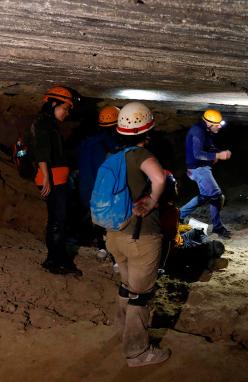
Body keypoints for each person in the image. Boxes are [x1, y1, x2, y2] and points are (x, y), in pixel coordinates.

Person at [104, 102, 171, 367]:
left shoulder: (111, 156)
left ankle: (122, 329)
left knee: (126, 283)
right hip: (141, 236)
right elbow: (160, 179)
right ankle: (137, 352)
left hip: (114, 234)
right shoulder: (143, 156)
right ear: (147, 130)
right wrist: (152, 200)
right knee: (140, 295)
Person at [28, 85, 82, 276]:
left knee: (59, 219)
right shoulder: (42, 123)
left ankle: (58, 258)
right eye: (65, 108)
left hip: (57, 179)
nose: (66, 113)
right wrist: (47, 179)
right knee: (57, 221)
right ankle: (54, 261)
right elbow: (41, 152)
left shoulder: (49, 123)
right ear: (52, 104)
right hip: (52, 180)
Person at [178, 109, 232, 239]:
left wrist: (217, 153)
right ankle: (218, 228)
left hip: (201, 168)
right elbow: (198, 154)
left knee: (204, 197)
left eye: (220, 123)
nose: (220, 126)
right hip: (198, 169)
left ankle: (178, 215)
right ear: (208, 123)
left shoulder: (206, 131)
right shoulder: (198, 131)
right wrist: (218, 155)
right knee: (217, 196)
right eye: (217, 124)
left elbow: (208, 147)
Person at [78, 105, 120, 259]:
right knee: (111, 221)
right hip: (102, 189)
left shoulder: (86, 142)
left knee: (95, 218)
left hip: (85, 189)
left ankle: (101, 247)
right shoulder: (112, 144)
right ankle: (113, 255)